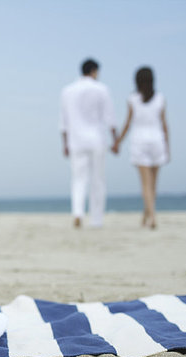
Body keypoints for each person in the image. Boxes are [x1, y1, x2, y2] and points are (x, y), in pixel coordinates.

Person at [59, 59, 118, 228]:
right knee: (97, 180)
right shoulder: (101, 89)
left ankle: (78, 212)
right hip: (97, 139)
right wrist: (115, 140)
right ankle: (96, 219)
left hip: (75, 140)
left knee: (78, 179)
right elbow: (110, 118)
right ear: (94, 71)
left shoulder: (67, 91)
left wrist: (64, 143)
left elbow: (64, 121)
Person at [112, 67, 169, 230]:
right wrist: (167, 146)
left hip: (140, 142)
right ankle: (148, 214)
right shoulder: (160, 98)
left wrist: (118, 142)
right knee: (153, 184)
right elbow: (164, 125)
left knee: (146, 184)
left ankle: (152, 216)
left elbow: (127, 124)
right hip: (157, 141)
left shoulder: (133, 99)